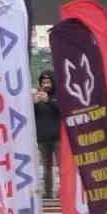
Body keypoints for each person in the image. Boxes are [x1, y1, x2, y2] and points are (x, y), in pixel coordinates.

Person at [33, 70, 61, 199]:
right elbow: (31, 116)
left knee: (61, 166)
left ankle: (64, 192)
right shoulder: (37, 98)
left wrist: (49, 100)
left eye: (48, 82)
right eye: (43, 82)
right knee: (46, 167)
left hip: (58, 138)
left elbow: (61, 111)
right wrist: (34, 103)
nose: (46, 85)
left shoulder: (58, 96)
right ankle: (48, 193)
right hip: (43, 139)